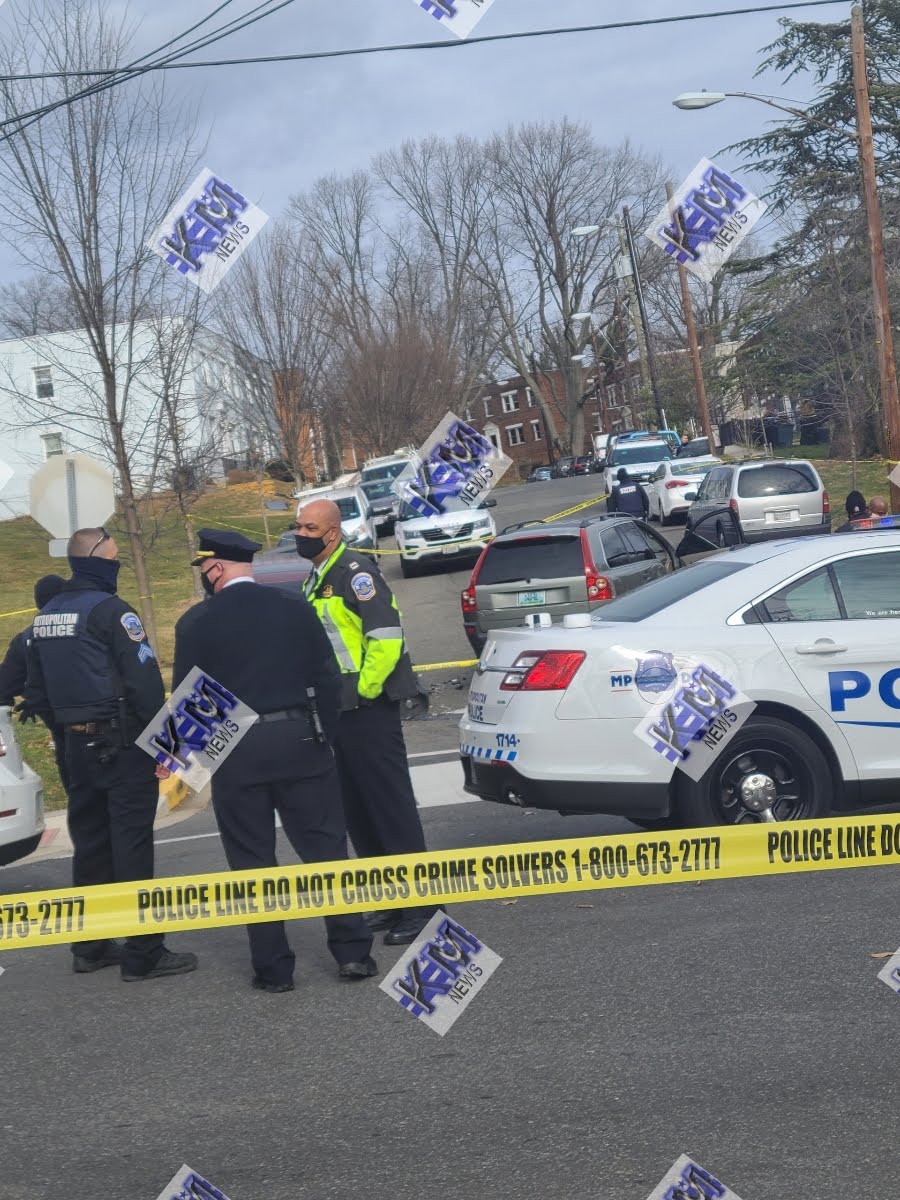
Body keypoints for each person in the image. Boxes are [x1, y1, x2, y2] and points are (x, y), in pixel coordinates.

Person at [171, 528, 377, 993]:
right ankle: (353, 954)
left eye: (204, 568)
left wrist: (195, 764)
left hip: (236, 751)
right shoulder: (295, 608)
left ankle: (274, 968)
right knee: (326, 850)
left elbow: (189, 702)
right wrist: (323, 735)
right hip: (300, 738)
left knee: (252, 862)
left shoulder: (194, 623)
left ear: (215, 567)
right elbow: (327, 677)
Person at [24, 527, 197, 982]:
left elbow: (36, 694)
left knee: (92, 847)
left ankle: (91, 946)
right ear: (96, 558)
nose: (118, 563)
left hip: (75, 749)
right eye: (115, 557)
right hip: (121, 747)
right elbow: (142, 685)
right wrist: (168, 746)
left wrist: (66, 739)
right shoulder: (113, 613)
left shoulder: (46, 618)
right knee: (131, 845)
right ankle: (144, 953)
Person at [294, 499, 434, 946]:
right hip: (340, 713)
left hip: (368, 711)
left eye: (308, 526)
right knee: (358, 813)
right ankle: (392, 901)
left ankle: (423, 910)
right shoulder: (316, 578)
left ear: (331, 532)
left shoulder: (356, 573)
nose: (300, 533)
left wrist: (364, 692)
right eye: (298, 525)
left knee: (391, 810)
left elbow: (386, 639)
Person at [0, 574, 70, 790]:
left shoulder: (25, 638)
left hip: (57, 721)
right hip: (102, 723)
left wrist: (32, 697)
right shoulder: (86, 627)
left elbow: (5, 685)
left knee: (76, 786)